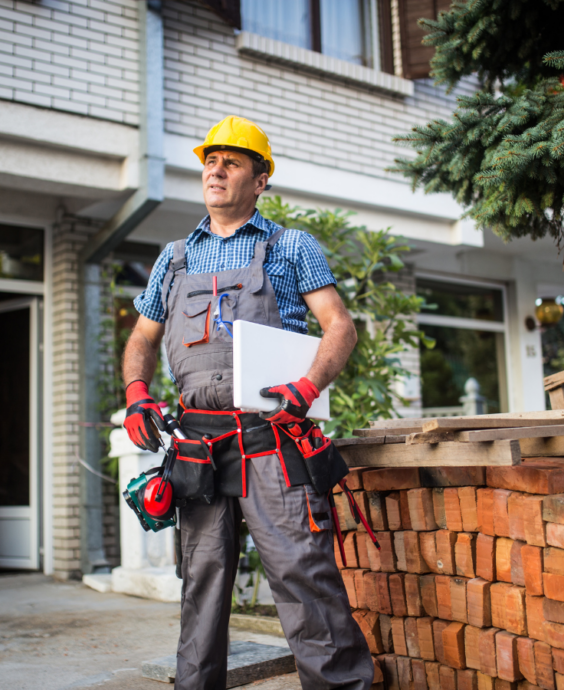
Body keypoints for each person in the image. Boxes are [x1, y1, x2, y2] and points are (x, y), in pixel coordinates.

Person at [121, 115, 374, 690]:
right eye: (210, 160)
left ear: (260, 180)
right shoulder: (175, 257)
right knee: (202, 582)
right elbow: (142, 336)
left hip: (271, 444)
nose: (216, 169)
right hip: (198, 447)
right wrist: (137, 394)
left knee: (301, 574)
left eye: (232, 162)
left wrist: (307, 388)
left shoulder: (290, 246)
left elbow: (340, 327)